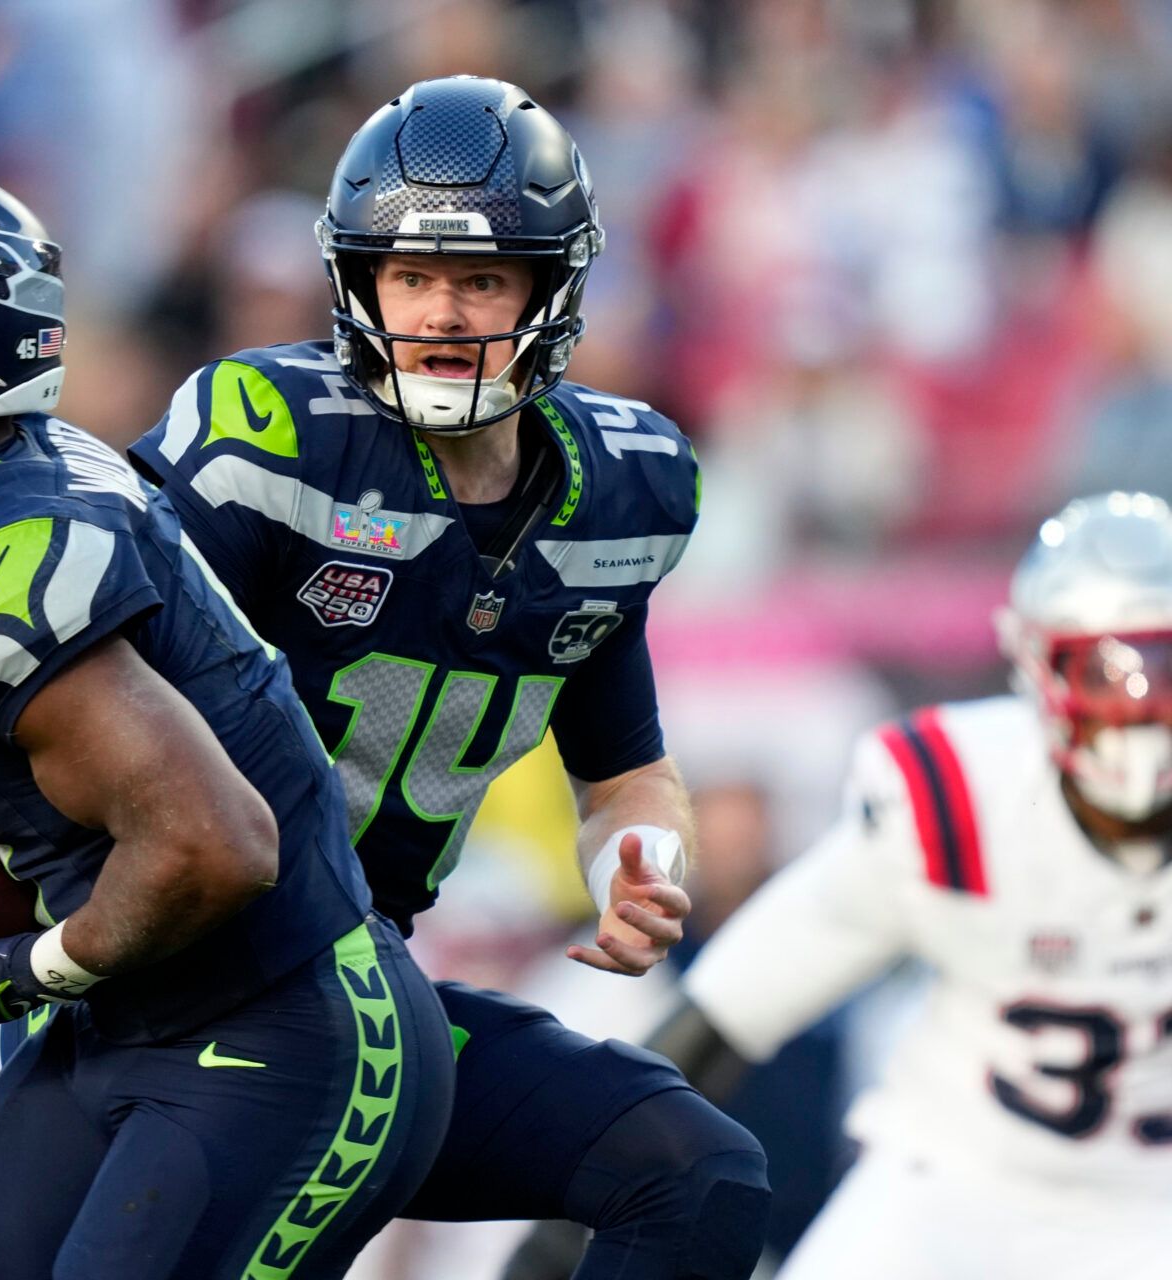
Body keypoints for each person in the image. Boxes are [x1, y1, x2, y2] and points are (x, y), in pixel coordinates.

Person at [0, 162, 454, 1280]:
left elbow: (217, 840)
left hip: (285, 1022)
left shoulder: (12, 557)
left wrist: (27, 965)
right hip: (128, 1023)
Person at [125, 77, 770, 1278]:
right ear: (359, 282)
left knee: (700, 1171)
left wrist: (645, 862)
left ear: (550, 288)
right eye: (412, 276)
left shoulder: (617, 494)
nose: (443, 313)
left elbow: (627, 768)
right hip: (171, 990)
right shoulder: (269, 437)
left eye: (482, 279)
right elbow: (92, 678)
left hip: (366, 993)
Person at [628, 492, 1172, 1278]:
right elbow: (737, 1003)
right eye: (1107, 670)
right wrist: (590, 1179)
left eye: (1166, 670)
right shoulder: (962, 797)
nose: (1141, 707)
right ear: (1033, 663)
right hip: (958, 1182)